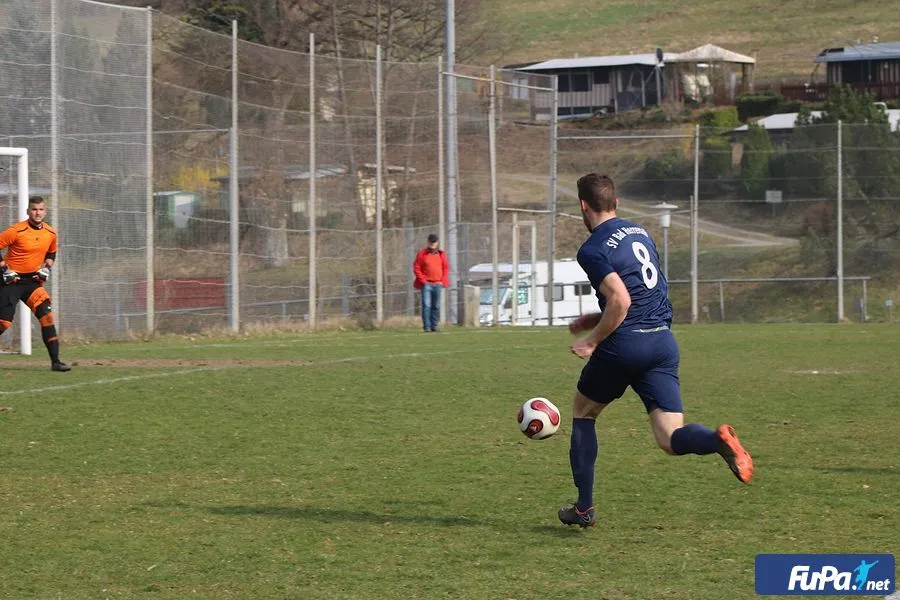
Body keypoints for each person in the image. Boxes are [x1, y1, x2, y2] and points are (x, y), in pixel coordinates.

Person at [558, 173, 752, 528]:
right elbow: (640, 293)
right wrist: (593, 316)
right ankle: (717, 439)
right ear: (615, 203)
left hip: (624, 344)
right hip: (662, 342)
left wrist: (593, 339)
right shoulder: (641, 233)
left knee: (583, 412)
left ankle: (584, 508)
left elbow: (621, 298)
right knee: (669, 437)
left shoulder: (592, 248)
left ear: (584, 206)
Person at [0, 196, 71, 372]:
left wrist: (47, 267)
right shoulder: (16, 230)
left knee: (47, 317)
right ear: (27, 211)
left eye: (40, 209)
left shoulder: (51, 233)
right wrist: (4, 268)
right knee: (4, 324)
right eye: (34, 209)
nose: (37, 213)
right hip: (11, 282)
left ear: (45, 211)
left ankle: (56, 363)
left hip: (32, 283)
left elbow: (51, 253)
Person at [412, 233, 449, 332]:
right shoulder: (422, 254)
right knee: (426, 305)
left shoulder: (441, 254)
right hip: (427, 284)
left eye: (434, 242)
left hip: (438, 284)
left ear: (437, 242)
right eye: (431, 242)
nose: (433, 244)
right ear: (428, 242)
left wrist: (443, 281)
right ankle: (427, 326)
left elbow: (445, 268)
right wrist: (423, 280)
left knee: (436, 306)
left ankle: (434, 325)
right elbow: (417, 268)